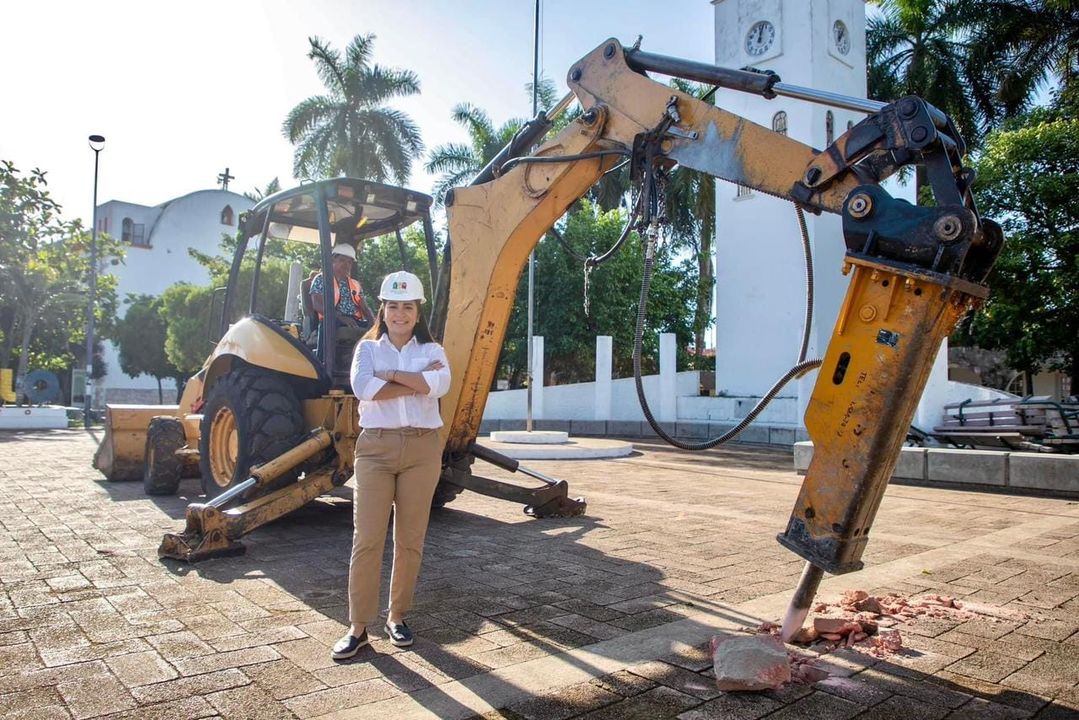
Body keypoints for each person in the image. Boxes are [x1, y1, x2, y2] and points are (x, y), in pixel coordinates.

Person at [332, 270, 451, 660]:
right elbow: (364, 389)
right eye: (393, 306)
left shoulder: (433, 351)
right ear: (382, 310)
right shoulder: (367, 350)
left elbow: (441, 385)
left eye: (408, 307)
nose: (400, 314)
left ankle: (397, 616)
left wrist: (393, 376)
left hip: (422, 449)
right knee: (366, 538)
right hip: (376, 450)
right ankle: (358, 627)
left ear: (418, 313)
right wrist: (417, 381)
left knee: (410, 539)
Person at [309, 243, 375, 330]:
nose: (346, 265)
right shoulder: (321, 279)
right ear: (333, 260)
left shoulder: (355, 284)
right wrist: (340, 317)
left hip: (355, 321)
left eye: (349, 262)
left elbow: (365, 307)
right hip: (331, 319)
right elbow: (317, 304)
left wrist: (373, 322)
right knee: (328, 326)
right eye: (342, 260)